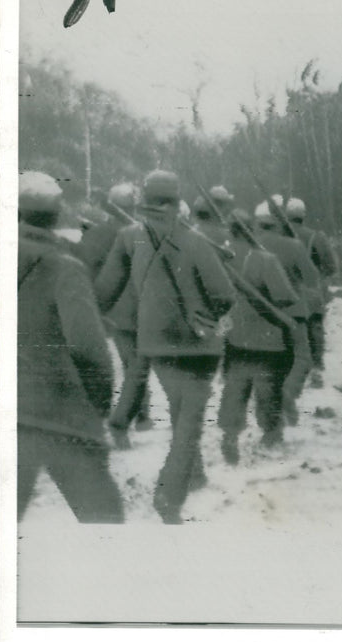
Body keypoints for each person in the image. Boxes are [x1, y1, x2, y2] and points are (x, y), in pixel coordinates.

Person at [95, 170, 235, 524]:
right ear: (176, 199)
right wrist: (205, 315)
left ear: (144, 198)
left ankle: (195, 474)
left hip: (154, 343)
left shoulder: (128, 237)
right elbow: (224, 295)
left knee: (180, 407)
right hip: (198, 345)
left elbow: (104, 293)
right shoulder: (197, 240)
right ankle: (169, 497)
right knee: (189, 421)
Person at [17, 172, 124, 523]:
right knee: (105, 519)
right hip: (58, 411)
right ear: (57, 214)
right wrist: (97, 406)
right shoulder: (64, 267)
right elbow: (89, 350)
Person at [217, 209, 300, 464]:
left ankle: (230, 434)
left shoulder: (219, 258)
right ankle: (270, 433)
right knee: (268, 388)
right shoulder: (265, 259)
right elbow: (285, 297)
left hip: (234, 336)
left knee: (235, 387)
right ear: (251, 229)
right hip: (268, 335)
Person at [76, 182, 153, 439]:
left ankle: (138, 413)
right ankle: (138, 414)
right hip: (143, 306)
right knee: (138, 363)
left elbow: (86, 268)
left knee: (132, 362)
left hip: (115, 307)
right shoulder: (145, 232)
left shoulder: (99, 233)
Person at [254, 197, 321, 424]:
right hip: (293, 312)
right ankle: (288, 394)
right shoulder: (293, 245)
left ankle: (272, 414)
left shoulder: (253, 245)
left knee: (270, 363)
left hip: (263, 313)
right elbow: (312, 278)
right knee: (303, 358)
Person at [286, 197, 338, 385]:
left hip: (285, 291)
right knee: (314, 326)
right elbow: (331, 267)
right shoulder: (316, 237)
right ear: (303, 216)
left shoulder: (278, 237)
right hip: (310, 291)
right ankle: (316, 369)